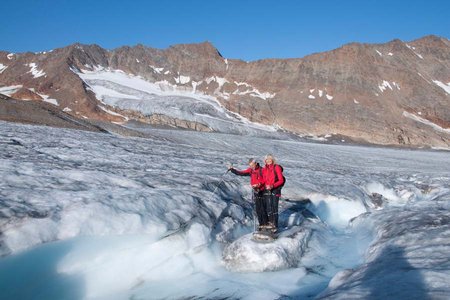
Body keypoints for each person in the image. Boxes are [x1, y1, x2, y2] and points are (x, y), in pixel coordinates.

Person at [229, 158, 268, 231]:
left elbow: (266, 180)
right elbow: (241, 173)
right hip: (255, 190)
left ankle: (265, 224)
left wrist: (259, 184)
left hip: (262, 191)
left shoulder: (262, 170)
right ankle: (261, 224)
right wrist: (232, 170)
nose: (251, 167)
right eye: (250, 166)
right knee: (258, 208)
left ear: (256, 163)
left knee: (263, 208)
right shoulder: (251, 170)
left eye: (252, 165)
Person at [262, 154, 284, 233]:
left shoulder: (276, 167)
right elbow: (264, 180)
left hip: (275, 190)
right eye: (267, 159)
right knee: (268, 208)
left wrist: (272, 185)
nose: (268, 160)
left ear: (272, 160)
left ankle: (275, 226)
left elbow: (281, 180)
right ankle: (270, 224)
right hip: (267, 190)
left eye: (270, 159)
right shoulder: (264, 169)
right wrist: (258, 186)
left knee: (274, 208)